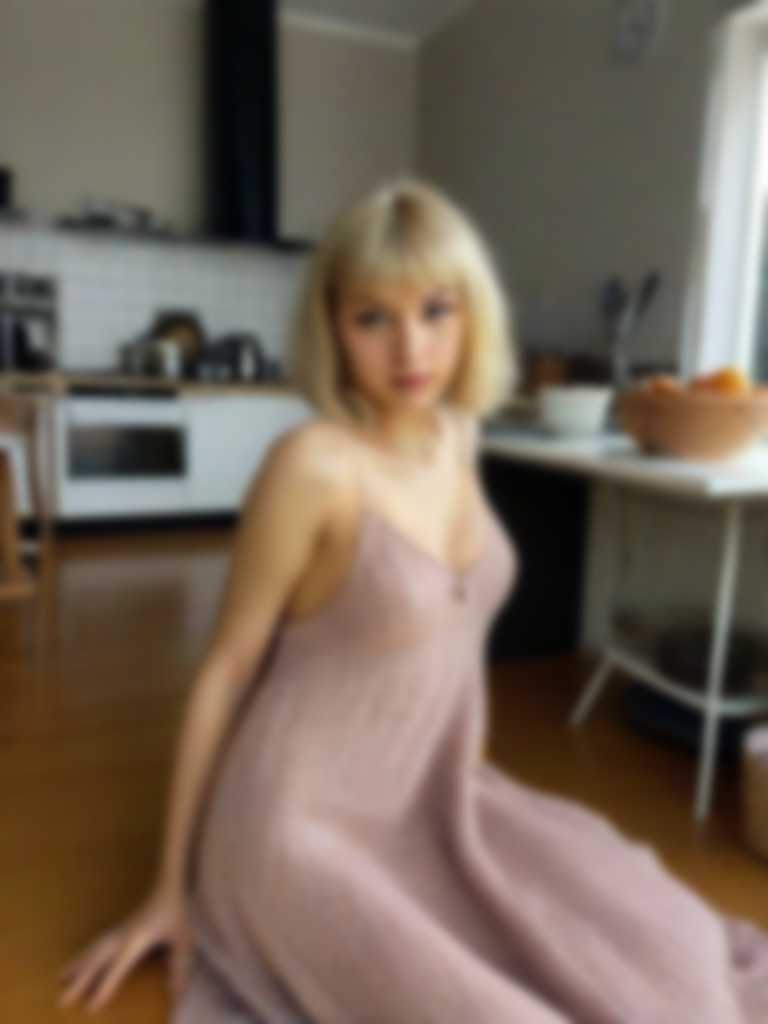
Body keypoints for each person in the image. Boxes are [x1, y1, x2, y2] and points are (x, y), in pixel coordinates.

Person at [57, 177, 768, 1022]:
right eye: (373, 318)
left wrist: (452, 779)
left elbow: (450, 644)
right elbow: (225, 671)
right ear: (332, 327)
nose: (410, 349)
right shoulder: (312, 467)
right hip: (297, 829)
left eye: (435, 310)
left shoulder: (456, 433)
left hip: (431, 796)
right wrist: (169, 887)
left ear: (471, 314)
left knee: (665, 948)